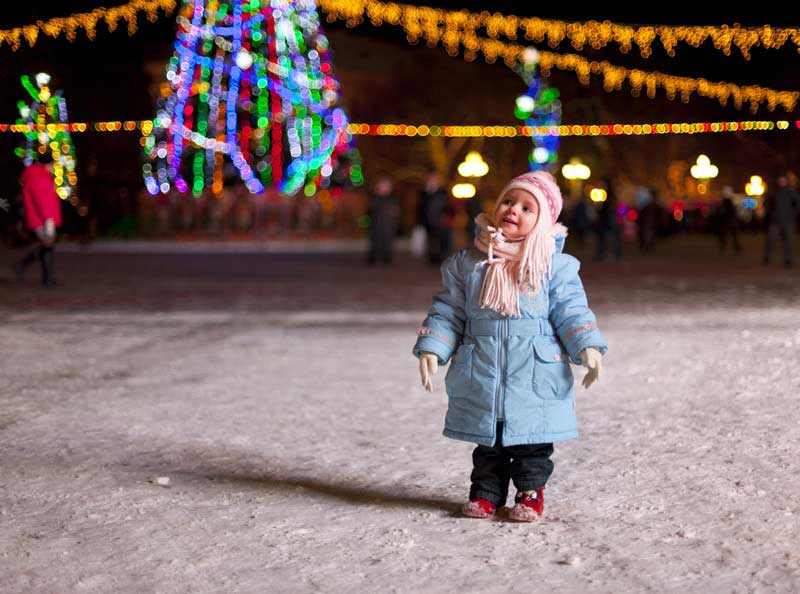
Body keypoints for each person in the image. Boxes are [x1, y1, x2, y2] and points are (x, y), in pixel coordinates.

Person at [413, 171, 607, 522]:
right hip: (483, 366)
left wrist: (587, 346)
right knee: (490, 440)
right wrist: (433, 346)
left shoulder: (553, 266)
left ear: (543, 221)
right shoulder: (469, 264)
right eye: (508, 201)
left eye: (526, 207)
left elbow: (571, 310)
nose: (513, 210)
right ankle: (486, 492)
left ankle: (530, 491)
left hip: (535, 368)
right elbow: (449, 310)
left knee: (533, 441)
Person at [13, 153, 62, 286]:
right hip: (44, 218)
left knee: (47, 245)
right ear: (48, 164)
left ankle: (41, 274)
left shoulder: (35, 175)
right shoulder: (40, 177)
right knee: (48, 244)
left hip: (41, 217)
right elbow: (43, 201)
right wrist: (48, 219)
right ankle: (45, 278)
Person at [763, 174, 799, 267]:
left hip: (788, 221)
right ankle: (767, 256)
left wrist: (794, 214)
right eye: (780, 180)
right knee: (770, 239)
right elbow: (766, 202)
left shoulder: (791, 191)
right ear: (778, 181)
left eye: (783, 180)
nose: (782, 181)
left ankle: (788, 259)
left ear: (786, 181)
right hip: (775, 220)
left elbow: (798, 202)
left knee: (789, 241)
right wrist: (770, 213)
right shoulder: (774, 192)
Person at [366, 175, 399, 266]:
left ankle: (386, 258)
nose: (385, 188)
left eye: (387, 186)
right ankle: (374, 257)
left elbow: (395, 212)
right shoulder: (375, 198)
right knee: (376, 241)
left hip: (388, 225)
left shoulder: (392, 199)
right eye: (383, 186)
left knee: (387, 242)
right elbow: (370, 210)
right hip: (377, 224)